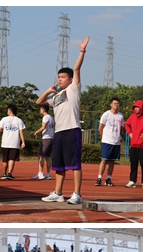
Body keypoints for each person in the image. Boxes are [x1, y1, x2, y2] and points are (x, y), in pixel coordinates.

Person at [38, 36, 89, 205]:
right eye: (58, 77)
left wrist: (82, 50)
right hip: (58, 133)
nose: (60, 79)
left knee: (74, 164)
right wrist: (48, 91)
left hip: (72, 130)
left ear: (70, 79)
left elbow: (77, 68)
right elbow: (39, 102)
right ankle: (58, 193)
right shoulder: (56, 96)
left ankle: (77, 194)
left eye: (63, 77)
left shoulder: (74, 88)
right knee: (58, 165)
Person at [0, 104, 26, 181]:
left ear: (10, 110)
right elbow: (21, 132)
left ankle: (4, 173)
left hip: (5, 143)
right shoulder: (19, 120)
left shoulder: (4, 119)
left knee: (5, 159)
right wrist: (23, 142)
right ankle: (9, 174)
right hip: (14, 143)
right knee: (12, 159)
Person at [96, 97, 124, 187]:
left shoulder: (120, 116)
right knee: (104, 160)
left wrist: (117, 137)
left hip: (116, 142)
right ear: (111, 104)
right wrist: (104, 137)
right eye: (114, 103)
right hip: (106, 141)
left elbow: (121, 128)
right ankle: (99, 178)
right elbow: (100, 127)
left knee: (112, 161)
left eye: (118, 104)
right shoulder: (106, 114)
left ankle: (108, 179)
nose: (116, 105)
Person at [32, 104, 54, 180]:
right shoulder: (51, 117)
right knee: (48, 157)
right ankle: (48, 174)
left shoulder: (45, 117)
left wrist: (36, 132)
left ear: (43, 110)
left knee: (41, 156)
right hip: (51, 138)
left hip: (46, 138)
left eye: (40, 109)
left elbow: (43, 127)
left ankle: (40, 173)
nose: (40, 110)